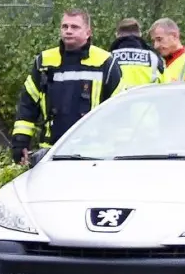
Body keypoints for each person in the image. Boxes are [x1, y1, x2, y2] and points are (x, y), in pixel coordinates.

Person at [11, 9, 121, 163]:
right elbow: (28, 103)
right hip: (52, 150)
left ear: (88, 32)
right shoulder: (45, 61)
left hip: (94, 153)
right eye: (65, 27)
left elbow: (119, 108)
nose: (68, 31)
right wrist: (20, 141)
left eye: (75, 27)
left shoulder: (104, 62)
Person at [109, 18, 164, 95]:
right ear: (140, 34)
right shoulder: (154, 58)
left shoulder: (109, 58)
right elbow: (166, 86)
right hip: (147, 105)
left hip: (117, 106)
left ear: (117, 35)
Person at [150, 18, 185, 83]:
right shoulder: (160, 60)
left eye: (159, 39)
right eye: (153, 41)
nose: (156, 46)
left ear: (174, 36)